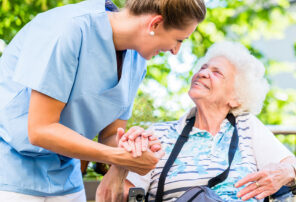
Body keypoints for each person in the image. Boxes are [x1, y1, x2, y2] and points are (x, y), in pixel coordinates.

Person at [0, 0, 206, 201]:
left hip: (65, 181)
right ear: (155, 24)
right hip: (10, 174)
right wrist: (115, 156)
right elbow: (40, 130)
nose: (175, 50)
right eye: (179, 39)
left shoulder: (136, 60)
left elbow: (109, 136)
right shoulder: (69, 29)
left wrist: (134, 147)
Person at [105, 41, 296, 202]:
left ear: (236, 98)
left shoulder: (247, 127)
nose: (202, 73)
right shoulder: (158, 135)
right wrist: (121, 163)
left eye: (216, 73)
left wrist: (286, 171)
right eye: (203, 68)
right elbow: (112, 198)